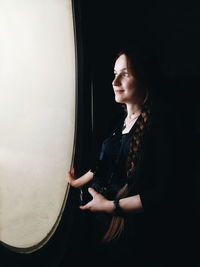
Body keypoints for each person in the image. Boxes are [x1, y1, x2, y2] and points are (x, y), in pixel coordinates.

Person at [67, 47, 181, 266]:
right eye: (114, 74)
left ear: (144, 78)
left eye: (125, 74)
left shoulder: (161, 123)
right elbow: (102, 165)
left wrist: (110, 206)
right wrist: (76, 182)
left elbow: (164, 193)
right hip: (100, 224)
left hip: (132, 236)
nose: (114, 81)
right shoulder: (116, 123)